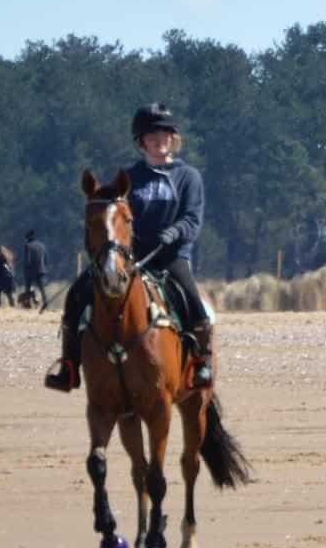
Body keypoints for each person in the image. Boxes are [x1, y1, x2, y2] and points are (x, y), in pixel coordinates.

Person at [45, 103, 215, 392]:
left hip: (170, 255)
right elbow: (115, 215)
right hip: (130, 256)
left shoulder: (188, 177)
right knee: (78, 294)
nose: (159, 140)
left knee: (193, 303)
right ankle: (69, 367)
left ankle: (201, 363)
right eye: (152, 136)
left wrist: (172, 233)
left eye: (164, 135)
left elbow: (192, 218)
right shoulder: (130, 177)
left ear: (172, 138)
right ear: (141, 142)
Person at [21, 230, 50, 310]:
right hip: (42, 270)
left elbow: (28, 261)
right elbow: (46, 259)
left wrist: (25, 270)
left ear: (28, 238)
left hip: (31, 271)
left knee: (28, 287)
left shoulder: (28, 246)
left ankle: (27, 303)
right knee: (42, 288)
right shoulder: (42, 245)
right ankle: (46, 302)